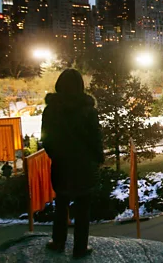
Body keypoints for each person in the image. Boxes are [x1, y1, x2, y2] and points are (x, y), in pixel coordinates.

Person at [41, 69, 104, 259]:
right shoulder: (88, 110)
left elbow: (47, 139)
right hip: (84, 166)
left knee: (61, 204)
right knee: (83, 208)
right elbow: (95, 139)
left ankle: (58, 241)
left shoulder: (51, 110)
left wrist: (57, 156)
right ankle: (80, 248)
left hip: (61, 165)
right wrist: (97, 158)